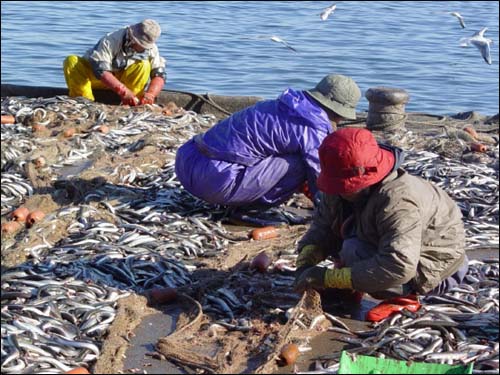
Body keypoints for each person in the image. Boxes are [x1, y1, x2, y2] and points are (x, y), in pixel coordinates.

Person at [294, 128, 468, 302]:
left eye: (344, 187)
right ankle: (356, 282)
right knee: (346, 245)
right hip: (386, 244)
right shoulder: (338, 188)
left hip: (434, 267)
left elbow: (399, 265)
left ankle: (407, 296)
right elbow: (323, 225)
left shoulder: (398, 200)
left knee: (352, 250)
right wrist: (307, 258)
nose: (338, 191)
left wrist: (331, 278)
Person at [175, 74, 361, 215]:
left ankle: (239, 200)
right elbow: (320, 175)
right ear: (336, 110)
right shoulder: (312, 127)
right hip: (212, 182)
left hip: (187, 163)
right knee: (297, 164)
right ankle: (250, 211)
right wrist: (335, 212)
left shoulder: (285, 105)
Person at [63, 19, 166, 105]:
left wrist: (151, 94)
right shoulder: (111, 40)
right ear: (132, 38)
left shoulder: (151, 49)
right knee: (71, 61)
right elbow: (101, 71)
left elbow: (159, 75)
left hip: (122, 81)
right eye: (139, 43)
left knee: (143, 65)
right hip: (96, 79)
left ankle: (133, 103)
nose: (141, 47)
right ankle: (84, 102)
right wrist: (123, 91)